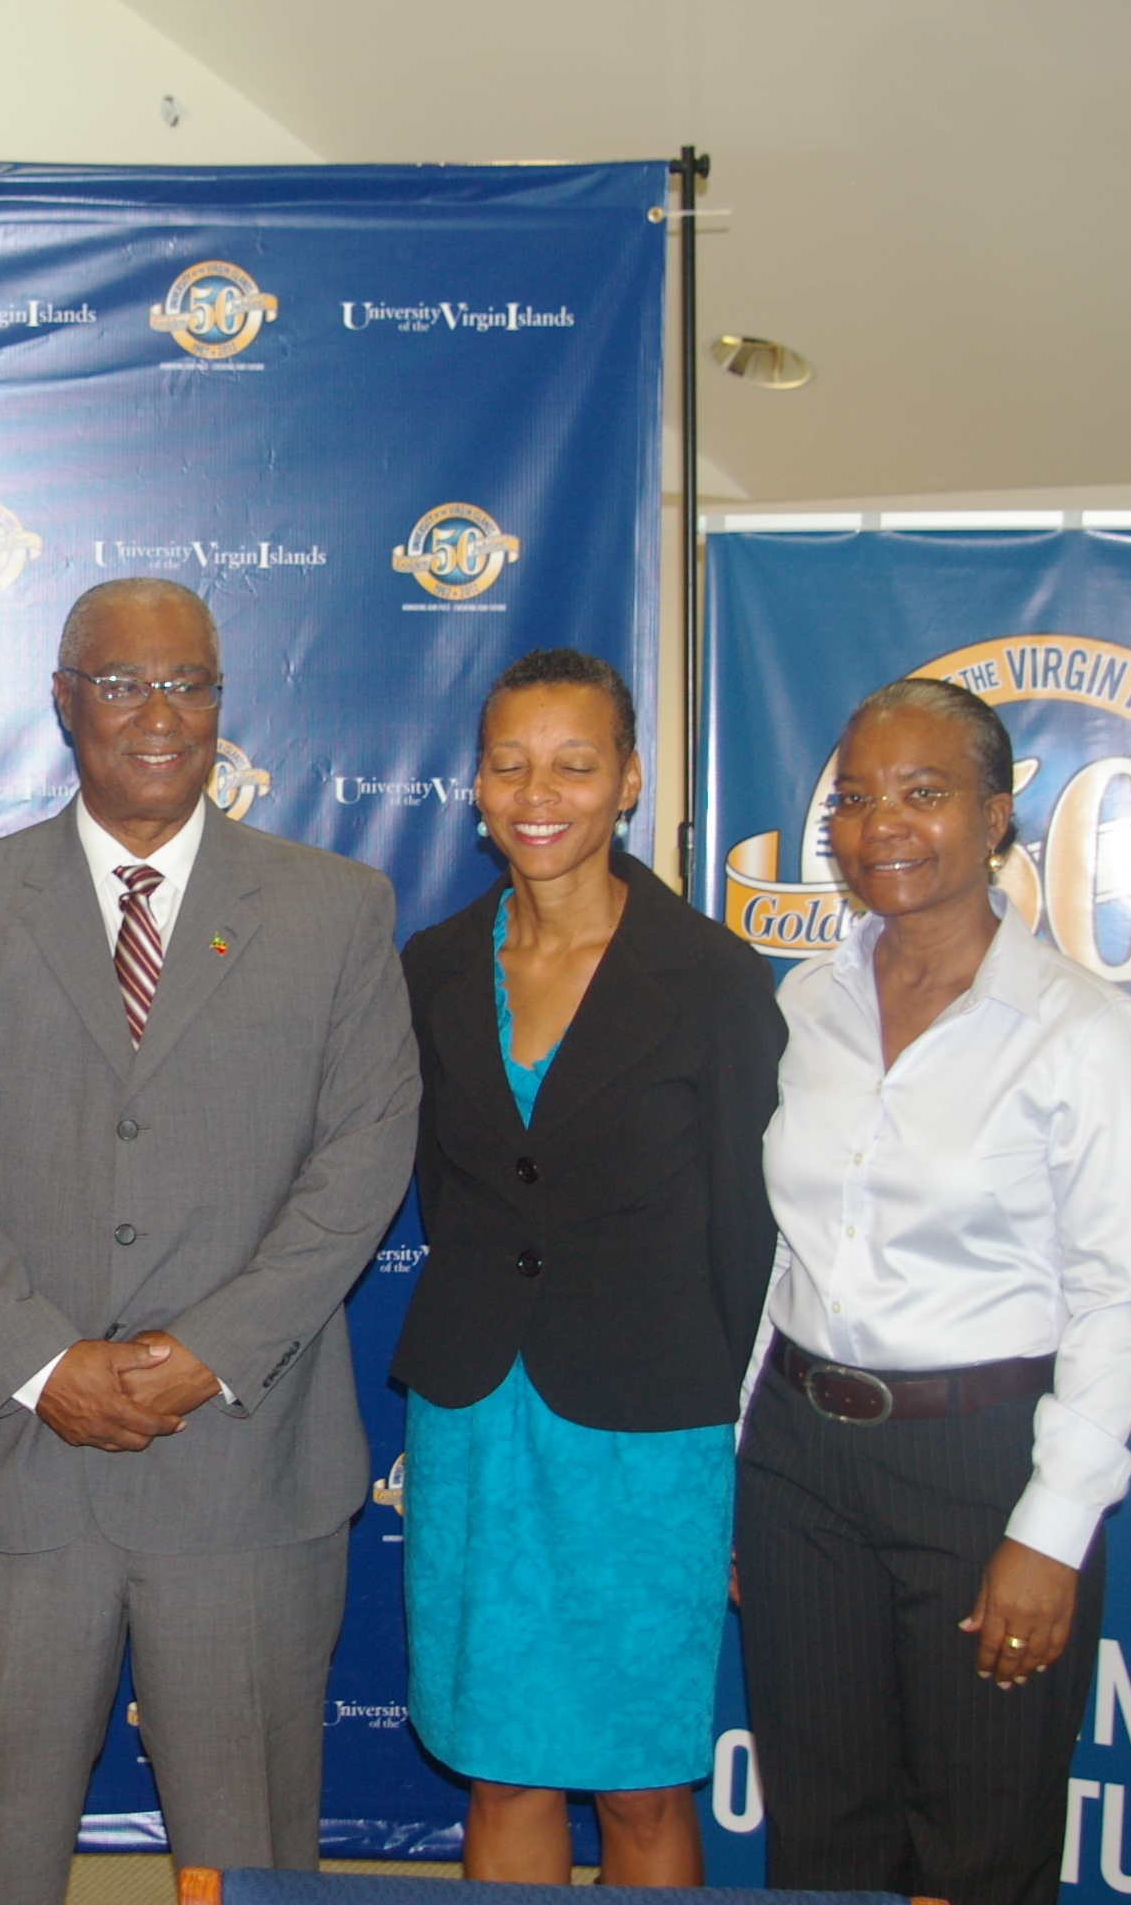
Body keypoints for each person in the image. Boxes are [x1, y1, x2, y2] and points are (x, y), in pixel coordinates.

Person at [0, 576, 421, 1905]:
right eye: (123, 683)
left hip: (241, 1467)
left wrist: (209, 1352)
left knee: (255, 1861)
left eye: (192, 685)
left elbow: (363, 1162)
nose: (161, 715)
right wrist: (44, 1362)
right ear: (63, 701)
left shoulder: (337, 909)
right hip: (5, 1471)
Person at [736, 677, 1131, 1905]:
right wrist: (740, 1458)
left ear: (994, 817)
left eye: (922, 793)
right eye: (857, 799)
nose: (883, 824)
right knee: (819, 1827)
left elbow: (1114, 1300)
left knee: (982, 1839)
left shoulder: (1075, 1027)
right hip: (798, 1458)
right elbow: (780, 1251)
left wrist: (1048, 1530)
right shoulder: (802, 1004)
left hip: (981, 1463)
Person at [388, 648, 786, 1884]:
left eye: (572, 762)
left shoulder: (714, 979)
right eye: (507, 763)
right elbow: (445, 1193)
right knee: (500, 1758)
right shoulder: (432, 966)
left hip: (648, 1428)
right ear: (473, 784)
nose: (536, 790)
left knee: (638, 1779)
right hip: (476, 1416)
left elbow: (748, 1234)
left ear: (625, 779)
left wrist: (739, 1454)